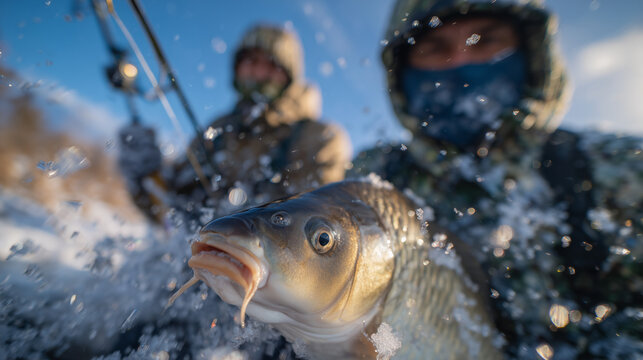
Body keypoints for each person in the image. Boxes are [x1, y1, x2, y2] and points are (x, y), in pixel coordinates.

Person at [351, 0, 642, 358]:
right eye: (434, 48)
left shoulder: (620, 168)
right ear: (402, 71)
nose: (460, 62)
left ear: (531, 51)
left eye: (484, 40)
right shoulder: (370, 182)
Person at [119, 24, 351, 223]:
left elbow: (312, 230)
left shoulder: (320, 138)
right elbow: (167, 215)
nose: (259, 72)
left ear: (290, 75)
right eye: (250, 61)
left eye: (271, 64)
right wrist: (146, 176)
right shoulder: (217, 130)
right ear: (237, 69)